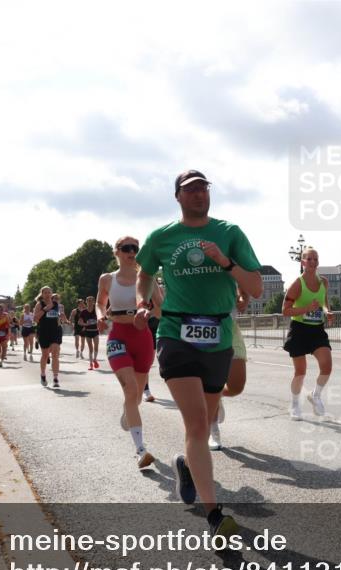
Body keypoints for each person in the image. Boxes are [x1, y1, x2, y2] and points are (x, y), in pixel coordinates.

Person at [135, 169, 262, 541]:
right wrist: (145, 301)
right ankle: (215, 515)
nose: (199, 195)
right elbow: (145, 273)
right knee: (195, 424)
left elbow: (254, 287)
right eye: (191, 190)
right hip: (176, 332)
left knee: (205, 423)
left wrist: (225, 261)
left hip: (218, 335)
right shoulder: (161, 237)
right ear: (178, 196)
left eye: (204, 188)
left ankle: (187, 466)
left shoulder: (230, 232)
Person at [97, 236, 163, 469]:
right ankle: (140, 450)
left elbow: (161, 310)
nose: (132, 251)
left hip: (143, 338)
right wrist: (100, 316)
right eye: (127, 248)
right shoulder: (107, 279)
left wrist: (148, 311)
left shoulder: (146, 279)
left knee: (135, 398)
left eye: (135, 248)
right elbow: (99, 303)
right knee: (131, 389)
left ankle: (128, 413)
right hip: (118, 337)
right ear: (117, 252)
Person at [281, 247, 334, 420]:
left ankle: (315, 395)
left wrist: (327, 312)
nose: (312, 262)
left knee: (327, 366)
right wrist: (306, 309)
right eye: (309, 259)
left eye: (315, 259)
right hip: (299, 330)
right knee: (300, 372)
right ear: (302, 262)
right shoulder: (297, 284)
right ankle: (295, 404)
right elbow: (285, 310)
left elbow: (324, 302)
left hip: (317, 329)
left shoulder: (323, 282)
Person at [208, 286, 250, 450]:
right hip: (203, 328)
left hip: (229, 329)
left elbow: (246, 283)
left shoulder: (228, 262)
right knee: (210, 384)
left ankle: (215, 395)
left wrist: (244, 298)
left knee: (236, 387)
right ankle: (214, 432)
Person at [34, 287, 65, 387]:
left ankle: (55, 378)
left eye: (49, 292)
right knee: (45, 355)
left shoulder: (56, 304)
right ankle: (43, 374)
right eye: (45, 292)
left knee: (55, 354)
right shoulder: (39, 305)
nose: (47, 294)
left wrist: (62, 317)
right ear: (42, 294)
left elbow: (60, 317)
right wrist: (45, 309)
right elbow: (35, 319)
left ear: (51, 294)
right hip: (44, 332)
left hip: (55, 331)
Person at [81, 296, 100, 370]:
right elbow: (80, 321)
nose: (89, 302)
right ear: (86, 302)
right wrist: (85, 324)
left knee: (96, 346)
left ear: (93, 302)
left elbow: (101, 317)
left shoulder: (96, 310)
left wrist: (100, 321)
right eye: (88, 301)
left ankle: (95, 359)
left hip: (95, 331)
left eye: (91, 301)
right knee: (90, 348)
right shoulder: (84, 312)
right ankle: (91, 364)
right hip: (88, 331)